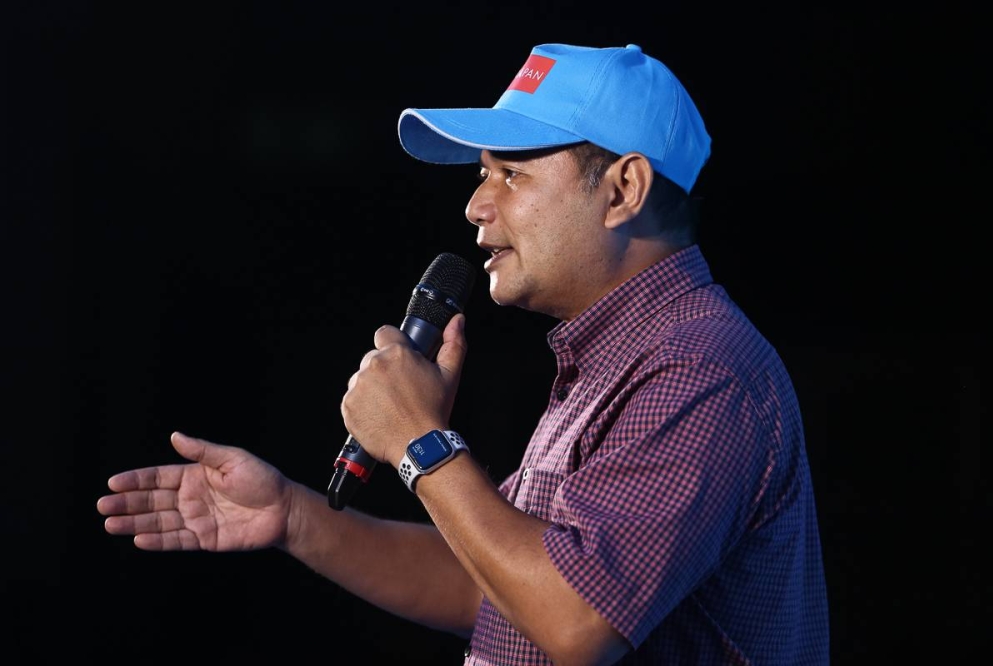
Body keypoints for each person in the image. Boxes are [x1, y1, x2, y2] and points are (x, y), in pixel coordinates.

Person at [97, 42, 829, 664]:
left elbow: (577, 618)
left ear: (623, 189)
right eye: (483, 175)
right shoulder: (614, 361)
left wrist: (420, 440)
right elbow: (497, 584)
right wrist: (293, 516)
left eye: (512, 174)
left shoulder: (701, 367)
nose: (478, 204)